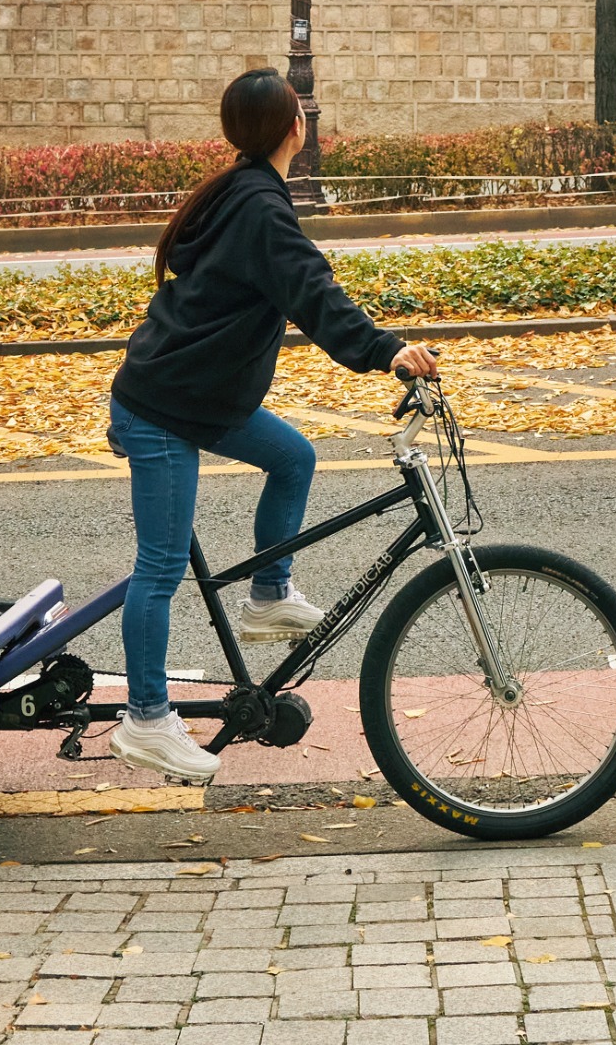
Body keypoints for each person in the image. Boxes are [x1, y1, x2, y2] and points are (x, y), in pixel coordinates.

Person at [104, 68, 441, 784]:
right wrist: (388, 352)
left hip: (200, 398)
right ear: (298, 128)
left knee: (293, 458)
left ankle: (267, 595)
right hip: (163, 407)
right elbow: (313, 291)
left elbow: (300, 289)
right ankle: (144, 719)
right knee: (160, 568)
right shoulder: (259, 206)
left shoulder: (243, 191)